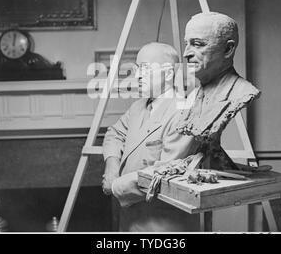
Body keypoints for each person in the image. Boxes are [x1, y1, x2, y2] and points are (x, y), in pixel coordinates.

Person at [102, 42, 200, 232]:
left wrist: (114, 186)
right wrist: (112, 165)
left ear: (169, 74)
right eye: (137, 68)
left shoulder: (184, 112)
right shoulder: (138, 107)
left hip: (164, 226)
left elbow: (165, 173)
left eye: (145, 69)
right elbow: (114, 134)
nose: (137, 75)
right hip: (130, 221)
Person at [177, 12, 261, 169]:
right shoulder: (193, 96)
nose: (186, 53)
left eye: (198, 44)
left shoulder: (242, 92)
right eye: (186, 43)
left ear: (228, 49)